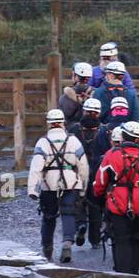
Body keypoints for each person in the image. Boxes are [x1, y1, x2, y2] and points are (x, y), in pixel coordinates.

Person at [93, 120, 139, 274]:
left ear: (124, 136)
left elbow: (101, 181)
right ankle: (135, 272)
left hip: (117, 203)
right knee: (138, 238)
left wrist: (98, 196)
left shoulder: (111, 155)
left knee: (120, 239)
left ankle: (122, 273)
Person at [26, 108, 89, 263]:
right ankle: (67, 243)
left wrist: (32, 189)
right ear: (63, 123)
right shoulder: (73, 141)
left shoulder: (43, 142)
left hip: (49, 184)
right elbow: (83, 166)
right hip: (71, 183)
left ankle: (47, 250)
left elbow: (36, 168)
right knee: (69, 214)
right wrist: (83, 188)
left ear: (48, 124)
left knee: (48, 217)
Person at [74, 96, 104, 247]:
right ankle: (95, 239)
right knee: (96, 205)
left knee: (77, 200)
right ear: (98, 113)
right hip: (97, 172)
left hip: (76, 171)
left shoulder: (74, 129)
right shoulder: (104, 131)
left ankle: (80, 224)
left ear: (84, 110)